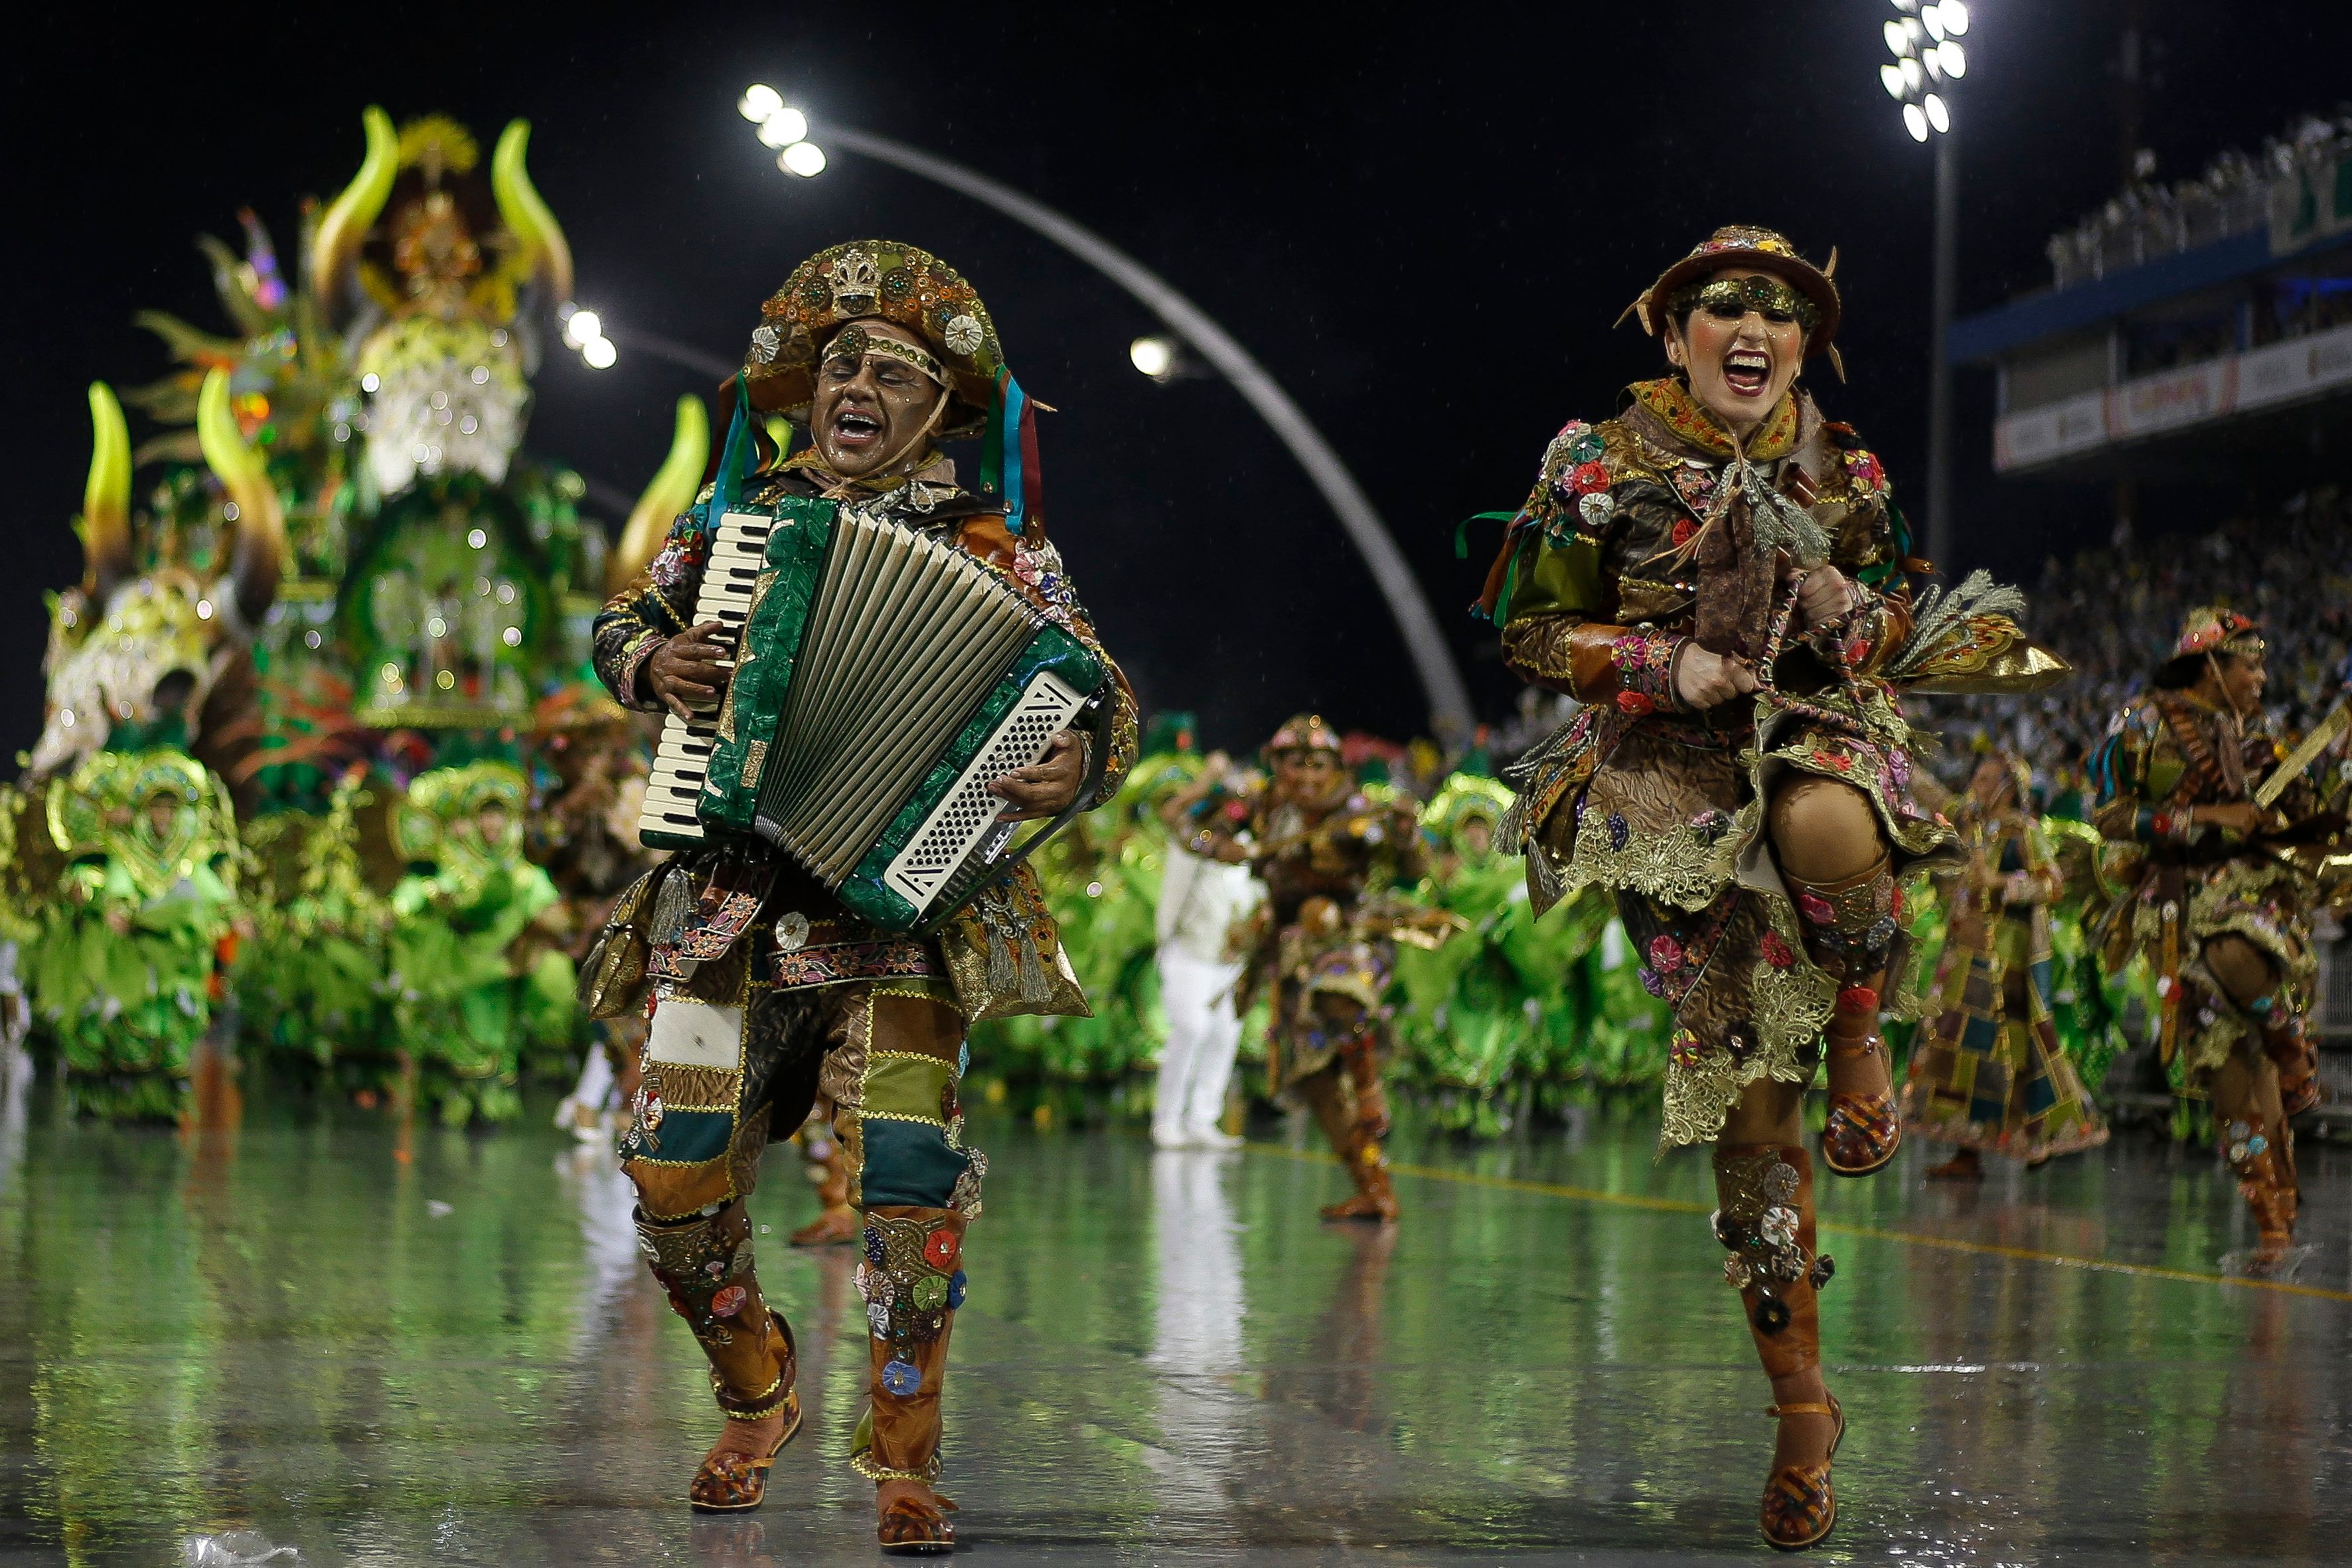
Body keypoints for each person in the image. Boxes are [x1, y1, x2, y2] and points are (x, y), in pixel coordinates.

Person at [1480, 226, 2051, 1549]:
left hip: (1811, 725)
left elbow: (1901, 618)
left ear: (1804, 344)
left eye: (1782, 312)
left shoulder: (1842, 463)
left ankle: (1860, 1024)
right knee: (1752, 1123)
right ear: (1672, 328)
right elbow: (1525, 621)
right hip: (1664, 785)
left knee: (1822, 812)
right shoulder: (1593, 461)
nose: (1753, 325)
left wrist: (1854, 607)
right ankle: (1800, 1403)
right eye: (1723, 304)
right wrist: (1649, 662)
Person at [587, 240, 1137, 1549]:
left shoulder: (1002, 552)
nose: (860, 383)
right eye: (840, 363)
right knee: (670, 1173)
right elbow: (620, 620)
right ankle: (756, 1389)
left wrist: (1077, 762)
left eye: (897, 372)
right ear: (806, 390)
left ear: (939, 412)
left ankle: (902, 1451)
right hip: (731, 892)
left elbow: (1100, 695)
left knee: (906, 1173)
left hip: (907, 918)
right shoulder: (729, 526)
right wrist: (652, 656)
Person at [2088, 608, 2329, 1275]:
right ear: (2210, 665)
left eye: (2262, 664)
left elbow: (2306, 814)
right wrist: (2206, 815)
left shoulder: (2268, 734)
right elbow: (2108, 814)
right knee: (2231, 1079)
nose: (2261, 676)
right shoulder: (2139, 724)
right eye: (2249, 662)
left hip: (2252, 888)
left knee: (2240, 949)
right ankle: (2272, 1223)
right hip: (2172, 906)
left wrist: (2299, 806)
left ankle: (2290, 1041)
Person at [1192, 715, 1430, 1221]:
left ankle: (1370, 1089)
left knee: (1335, 982)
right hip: (1287, 953)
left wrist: (1407, 836)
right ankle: (1373, 1188)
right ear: (1276, 766)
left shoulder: (1356, 810)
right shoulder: (1262, 805)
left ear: (1335, 769)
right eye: (1293, 764)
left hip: (1350, 937)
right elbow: (1192, 823)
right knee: (1317, 1081)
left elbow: (1414, 868)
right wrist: (1217, 845)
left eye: (1317, 765)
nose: (1305, 776)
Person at [1903, 752, 2110, 1178]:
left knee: (2015, 1050)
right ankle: (1967, 1150)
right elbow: (1936, 795)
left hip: (2007, 965)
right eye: (1976, 777)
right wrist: (1899, 757)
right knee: (1962, 1047)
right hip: (1965, 959)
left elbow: (2052, 884)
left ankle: (2037, 1138)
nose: (1976, 785)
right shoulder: (1971, 823)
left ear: (2007, 786)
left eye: (1985, 779)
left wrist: (2000, 885)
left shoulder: (2022, 831)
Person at [1153, 752, 1263, 1148]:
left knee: (1224, 1035)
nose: (1231, 814)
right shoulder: (1191, 843)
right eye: (1226, 805)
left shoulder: (1252, 850)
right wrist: (1208, 780)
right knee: (1191, 1030)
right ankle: (1167, 1120)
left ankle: (1202, 1120)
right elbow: (1171, 812)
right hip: (1188, 954)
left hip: (1229, 961)